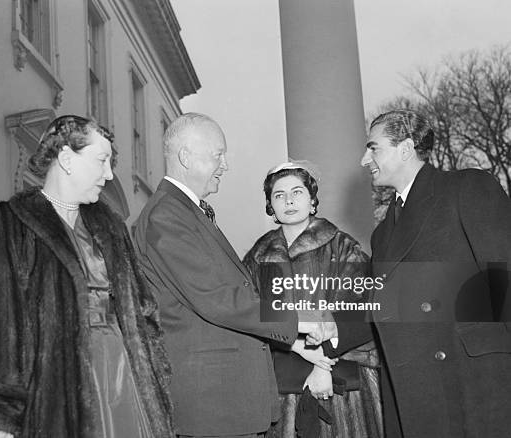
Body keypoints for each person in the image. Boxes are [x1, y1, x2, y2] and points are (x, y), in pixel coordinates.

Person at [0, 115, 173, 437]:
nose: (108, 175)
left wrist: (155, 380)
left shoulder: (112, 227)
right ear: (66, 159)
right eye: (102, 161)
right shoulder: (3, 224)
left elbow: (143, 312)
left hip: (125, 384)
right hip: (53, 391)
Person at [304, 109, 511, 437]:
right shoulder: (383, 233)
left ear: (405, 148)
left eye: (373, 148)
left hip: (473, 380)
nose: (363, 160)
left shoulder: (467, 187)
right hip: (411, 388)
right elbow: (382, 306)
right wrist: (332, 331)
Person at [134, 113, 316, 438]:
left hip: (226, 402)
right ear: (186, 156)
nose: (225, 165)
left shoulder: (185, 212)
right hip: (213, 407)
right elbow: (218, 299)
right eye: (218, 154)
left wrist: (294, 342)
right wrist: (299, 318)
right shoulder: (167, 216)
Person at [243, 162, 381, 438]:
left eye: (297, 192)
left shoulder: (342, 246)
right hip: (282, 380)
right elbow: (247, 315)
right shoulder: (257, 256)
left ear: (312, 200)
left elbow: (357, 310)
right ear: (270, 205)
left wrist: (322, 365)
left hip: (339, 380)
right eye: (279, 195)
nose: (289, 200)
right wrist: (295, 345)